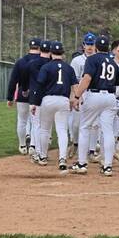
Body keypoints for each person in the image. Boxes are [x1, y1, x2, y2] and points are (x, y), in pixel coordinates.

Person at [70, 35, 119, 177]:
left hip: (94, 94)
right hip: (110, 96)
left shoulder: (92, 59)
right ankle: (108, 166)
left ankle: (81, 164)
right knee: (108, 131)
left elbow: (87, 79)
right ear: (109, 49)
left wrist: (77, 96)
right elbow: (116, 84)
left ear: (96, 47)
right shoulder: (113, 63)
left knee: (85, 127)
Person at [31, 41, 77, 173]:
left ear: (50, 53)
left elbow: (39, 86)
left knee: (45, 130)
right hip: (63, 100)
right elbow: (75, 87)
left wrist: (35, 103)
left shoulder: (46, 67)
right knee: (62, 130)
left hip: (48, 99)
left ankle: (43, 157)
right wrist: (74, 100)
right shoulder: (69, 68)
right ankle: (62, 159)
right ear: (63, 53)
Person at [6, 38, 41, 155]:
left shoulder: (21, 61)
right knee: (36, 122)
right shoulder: (44, 61)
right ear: (40, 47)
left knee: (22, 120)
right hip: (38, 95)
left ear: (29, 47)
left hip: (22, 94)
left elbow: (13, 81)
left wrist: (10, 97)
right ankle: (33, 146)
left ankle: (22, 146)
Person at [68, 32, 98, 160]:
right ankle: (75, 143)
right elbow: (72, 79)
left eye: (92, 44)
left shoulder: (98, 59)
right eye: (88, 44)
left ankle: (91, 151)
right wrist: (74, 95)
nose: (90, 47)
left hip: (94, 92)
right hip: (80, 92)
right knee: (76, 124)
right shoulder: (77, 60)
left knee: (94, 124)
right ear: (83, 45)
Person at [27, 40, 52, 164]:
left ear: (40, 49)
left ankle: (37, 153)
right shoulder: (53, 64)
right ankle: (44, 154)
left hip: (36, 96)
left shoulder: (32, 64)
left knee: (37, 126)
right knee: (47, 128)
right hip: (50, 97)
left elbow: (31, 82)